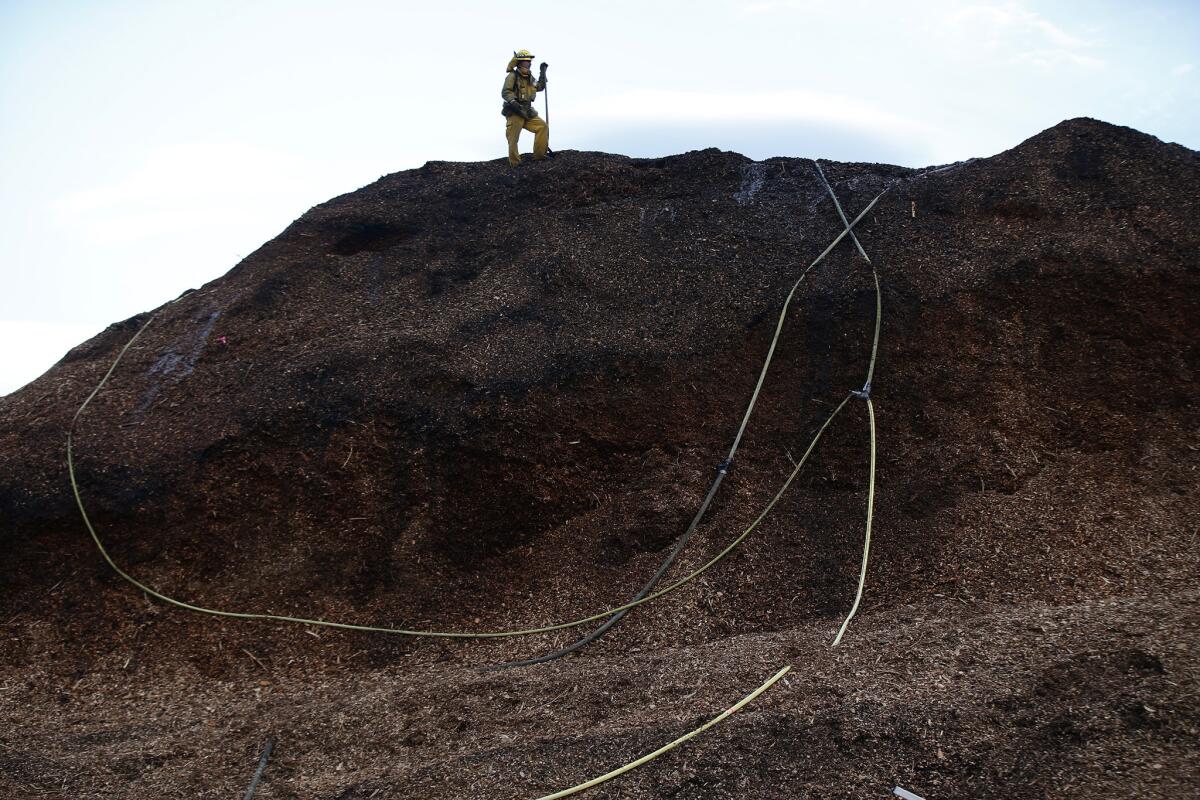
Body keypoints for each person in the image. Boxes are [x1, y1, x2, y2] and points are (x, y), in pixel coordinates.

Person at [502, 50, 549, 166]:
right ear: (520, 62)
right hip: (515, 111)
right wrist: (513, 102)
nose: (529, 63)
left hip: (527, 111)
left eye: (530, 61)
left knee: (542, 126)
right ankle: (515, 163)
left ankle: (539, 156)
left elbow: (539, 87)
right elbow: (506, 92)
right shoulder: (512, 76)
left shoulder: (529, 77)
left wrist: (542, 73)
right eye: (527, 61)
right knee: (513, 138)